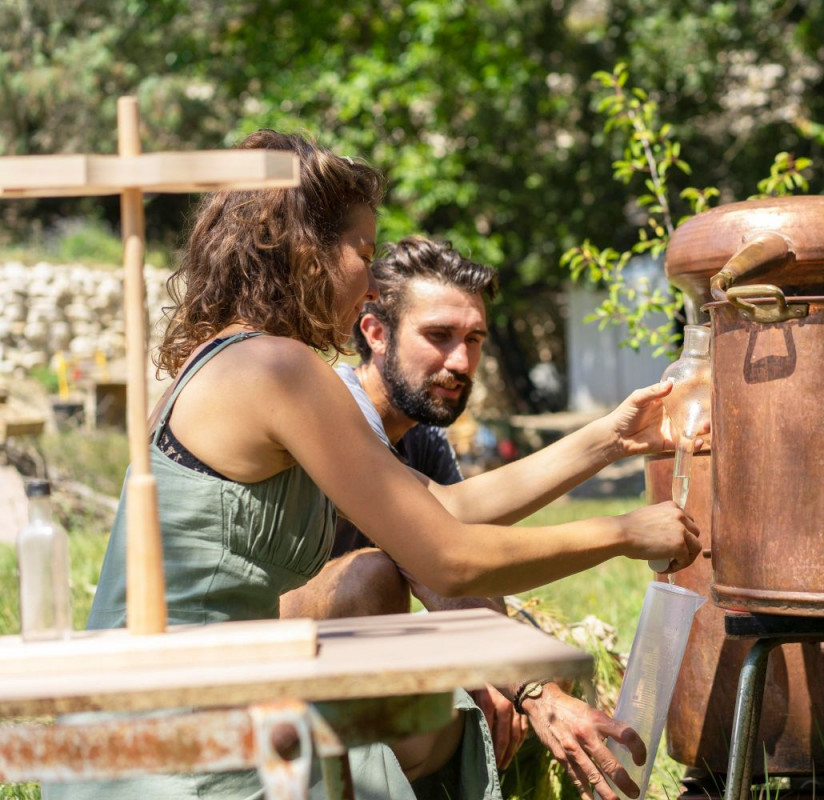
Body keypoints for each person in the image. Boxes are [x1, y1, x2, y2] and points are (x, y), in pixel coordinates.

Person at [46, 131, 701, 800]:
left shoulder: (234, 361)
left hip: (146, 723)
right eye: (363, 252)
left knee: (434, 719)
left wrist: (610, 440)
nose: (368, 286)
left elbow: (441, 508)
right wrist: (624, 534)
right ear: (307, 252)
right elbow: (450, 558)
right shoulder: (277, 369)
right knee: (429, 719)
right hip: (178, 749)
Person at [280, 235, 689, 798]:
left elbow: (464, 556)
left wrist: (511, 678)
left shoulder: (420, 439)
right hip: (261, 656)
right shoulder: (334, 409)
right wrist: (529, 685)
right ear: (375, 333)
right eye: (438, 336)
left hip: (350, 664)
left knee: (511, 654)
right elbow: (436, 555)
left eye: (474, 339)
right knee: (374, 572)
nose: (460, 362)